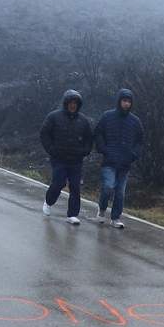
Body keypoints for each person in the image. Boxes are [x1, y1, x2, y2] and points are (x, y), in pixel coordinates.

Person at [38, 89, 95, 225]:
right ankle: (49, 201)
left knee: (75, 187)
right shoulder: (54, 117)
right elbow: (44, 134)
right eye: (70, 102)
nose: (73, 105)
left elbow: (89, 138)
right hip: (59, 158)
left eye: (75, 103)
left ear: (78, 104)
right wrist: (51, 149)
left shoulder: (83, 120)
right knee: (59, 183)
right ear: (66, 103)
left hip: (76, 160)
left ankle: (72, 214)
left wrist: (85, 151)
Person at [93, 87, 145, 229]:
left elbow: (140, 141)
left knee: (120, 192)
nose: (126, 104)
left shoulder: (135, 121)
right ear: (119, 101)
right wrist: (104, 149)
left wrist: (133, 155)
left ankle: (115, 217)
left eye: (129, 101)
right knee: (108, 187)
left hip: (125, 163)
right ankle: (102, 210)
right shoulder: (107, 116)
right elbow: (98, 133)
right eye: (124, 101)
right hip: (109, 161)